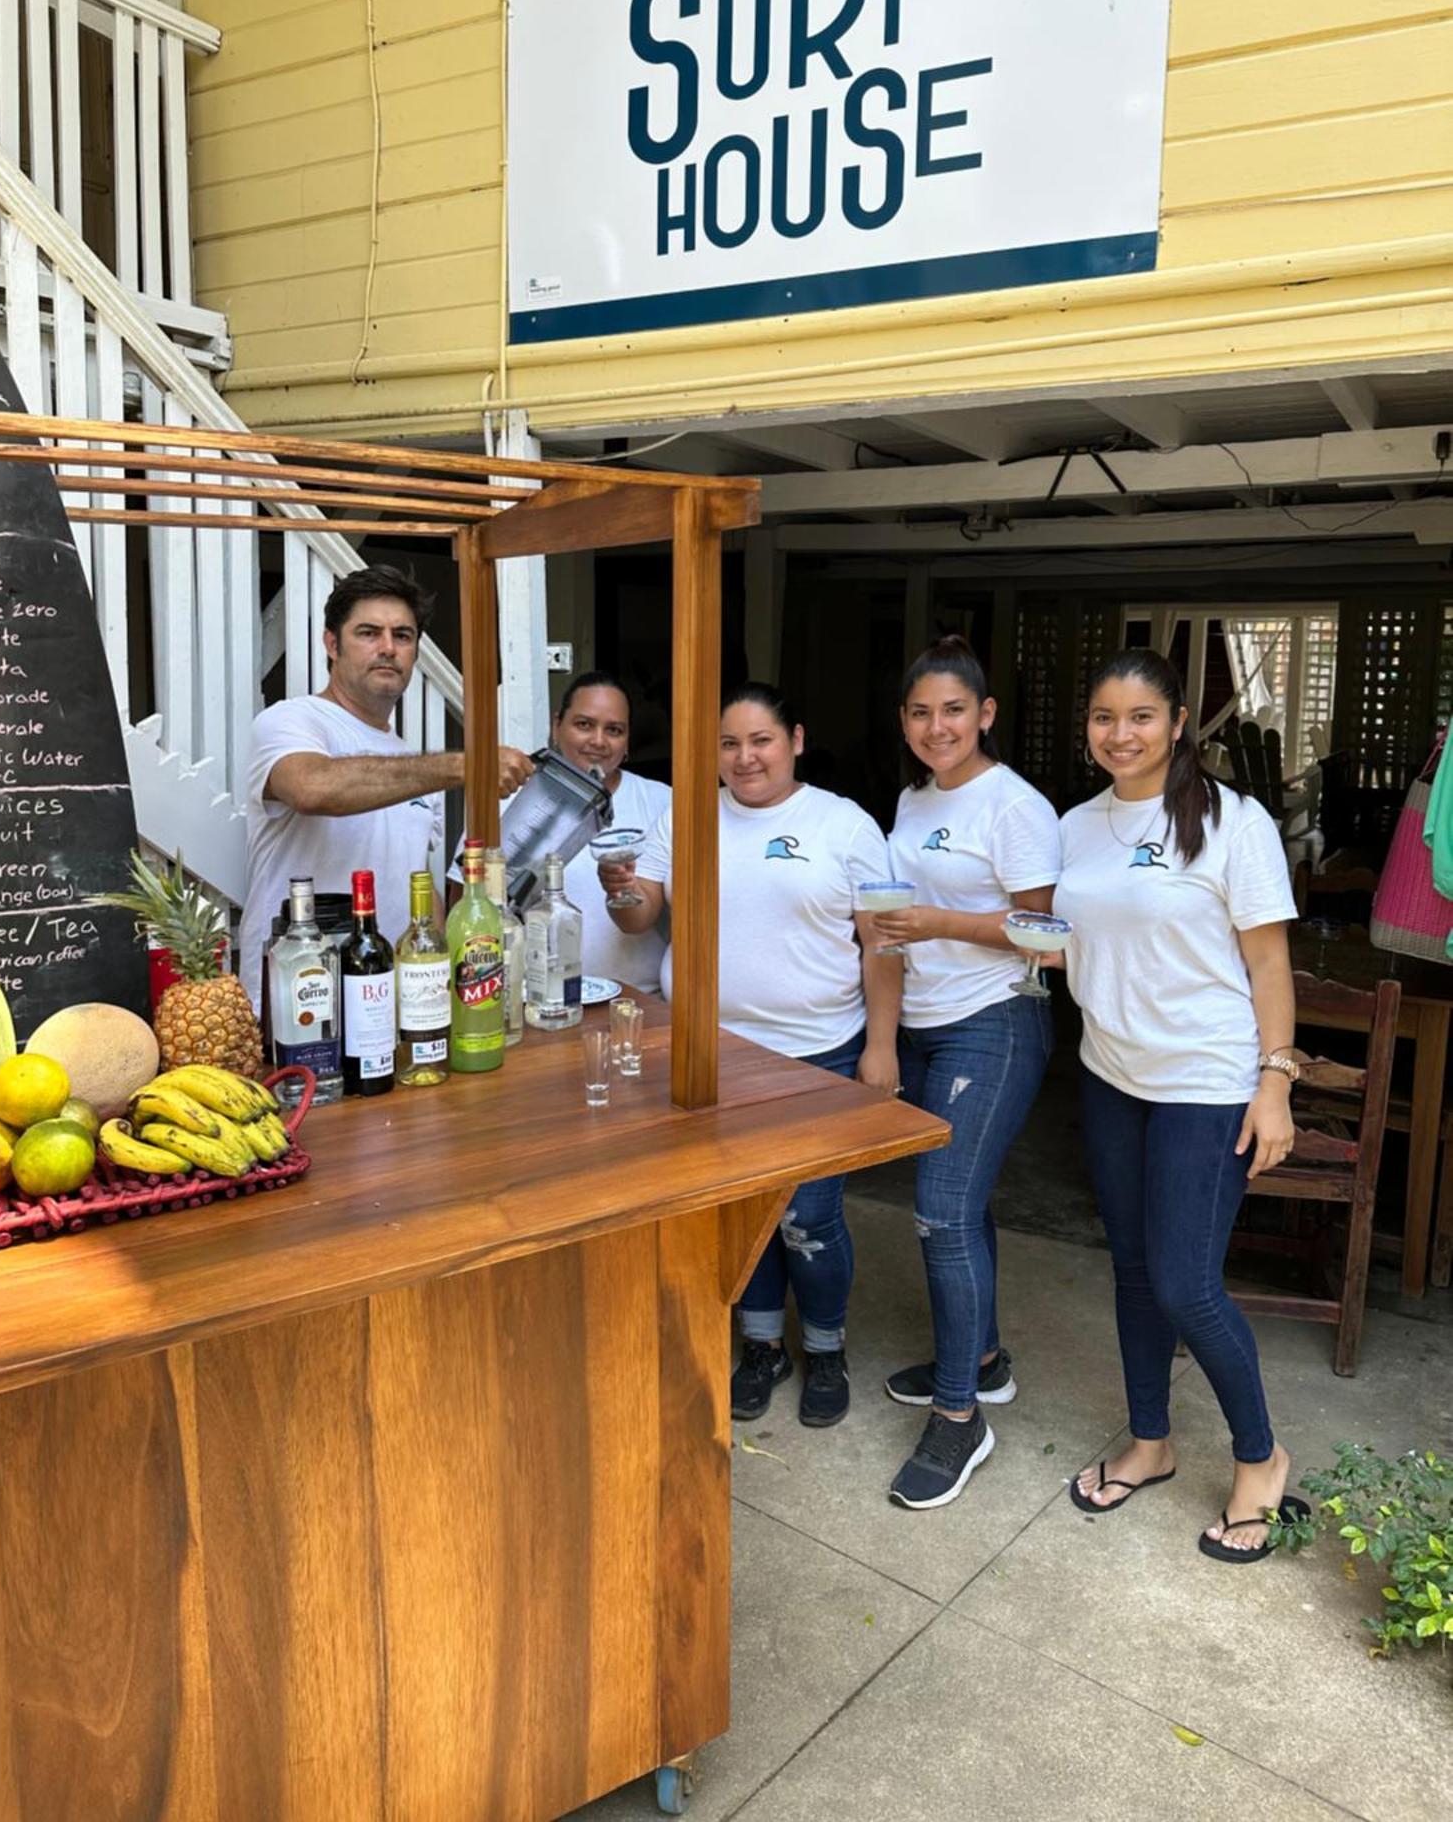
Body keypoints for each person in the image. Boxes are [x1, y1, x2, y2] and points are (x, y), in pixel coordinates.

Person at [1056, 647, 1305, 1563]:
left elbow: (1268, 963)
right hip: (1111, 1072)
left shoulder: (1232, 822)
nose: (1120, 735)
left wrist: (1274, 1082)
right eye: (1103, 718)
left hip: (1207, 1080)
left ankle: (1260, 1458)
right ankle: (1151, 1442)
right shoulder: (1078, 825)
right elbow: (1079, 936)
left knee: (1186, 1284)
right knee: (1131, 1269)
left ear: (1177, 722)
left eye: (1140, 718)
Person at [604, 682, 901, 1428]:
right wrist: (619, 890)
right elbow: (642, 915)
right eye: (729, 744)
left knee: (807, 1214)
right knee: (742, 1210)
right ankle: (762, 1344)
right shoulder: (688, 815)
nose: (744, 758)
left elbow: (882, 945)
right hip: (713, 1052)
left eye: (760, 740)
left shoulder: (844, 824)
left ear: (795, 739)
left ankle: (825, 1347)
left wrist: (883, 1049)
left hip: (817, 1056)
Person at [869, 636, 1061, 1511]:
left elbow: (1047, 936)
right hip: (928, 1027)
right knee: (965, 1204)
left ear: (985, 715)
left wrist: (939, 919)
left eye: (953, 710)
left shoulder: (1013, 804)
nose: (935, 726)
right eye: (920, 712)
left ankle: (959, 1420)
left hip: (997, 1021)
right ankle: (982, 1363)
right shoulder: (912, 804)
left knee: (940, 1215)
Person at [239, 566, 533, 1009]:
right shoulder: (292, 721)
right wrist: (467, 765)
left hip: (390, 1001)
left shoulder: (414, 763)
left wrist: (452, 981)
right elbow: (311, 788)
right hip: (298, 1001)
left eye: (403, 636)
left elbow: (415, 880)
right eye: (368, 633)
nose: (388, 649)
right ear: (332, 644)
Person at [450, 671, 671, 992]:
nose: (598, 740)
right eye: (584, 724)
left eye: (614, 730)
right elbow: (463, 904)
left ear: (627, 740)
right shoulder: (510, 797)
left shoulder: (662, 802)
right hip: (536, 1001)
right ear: (557, 726)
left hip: (636, 1003)